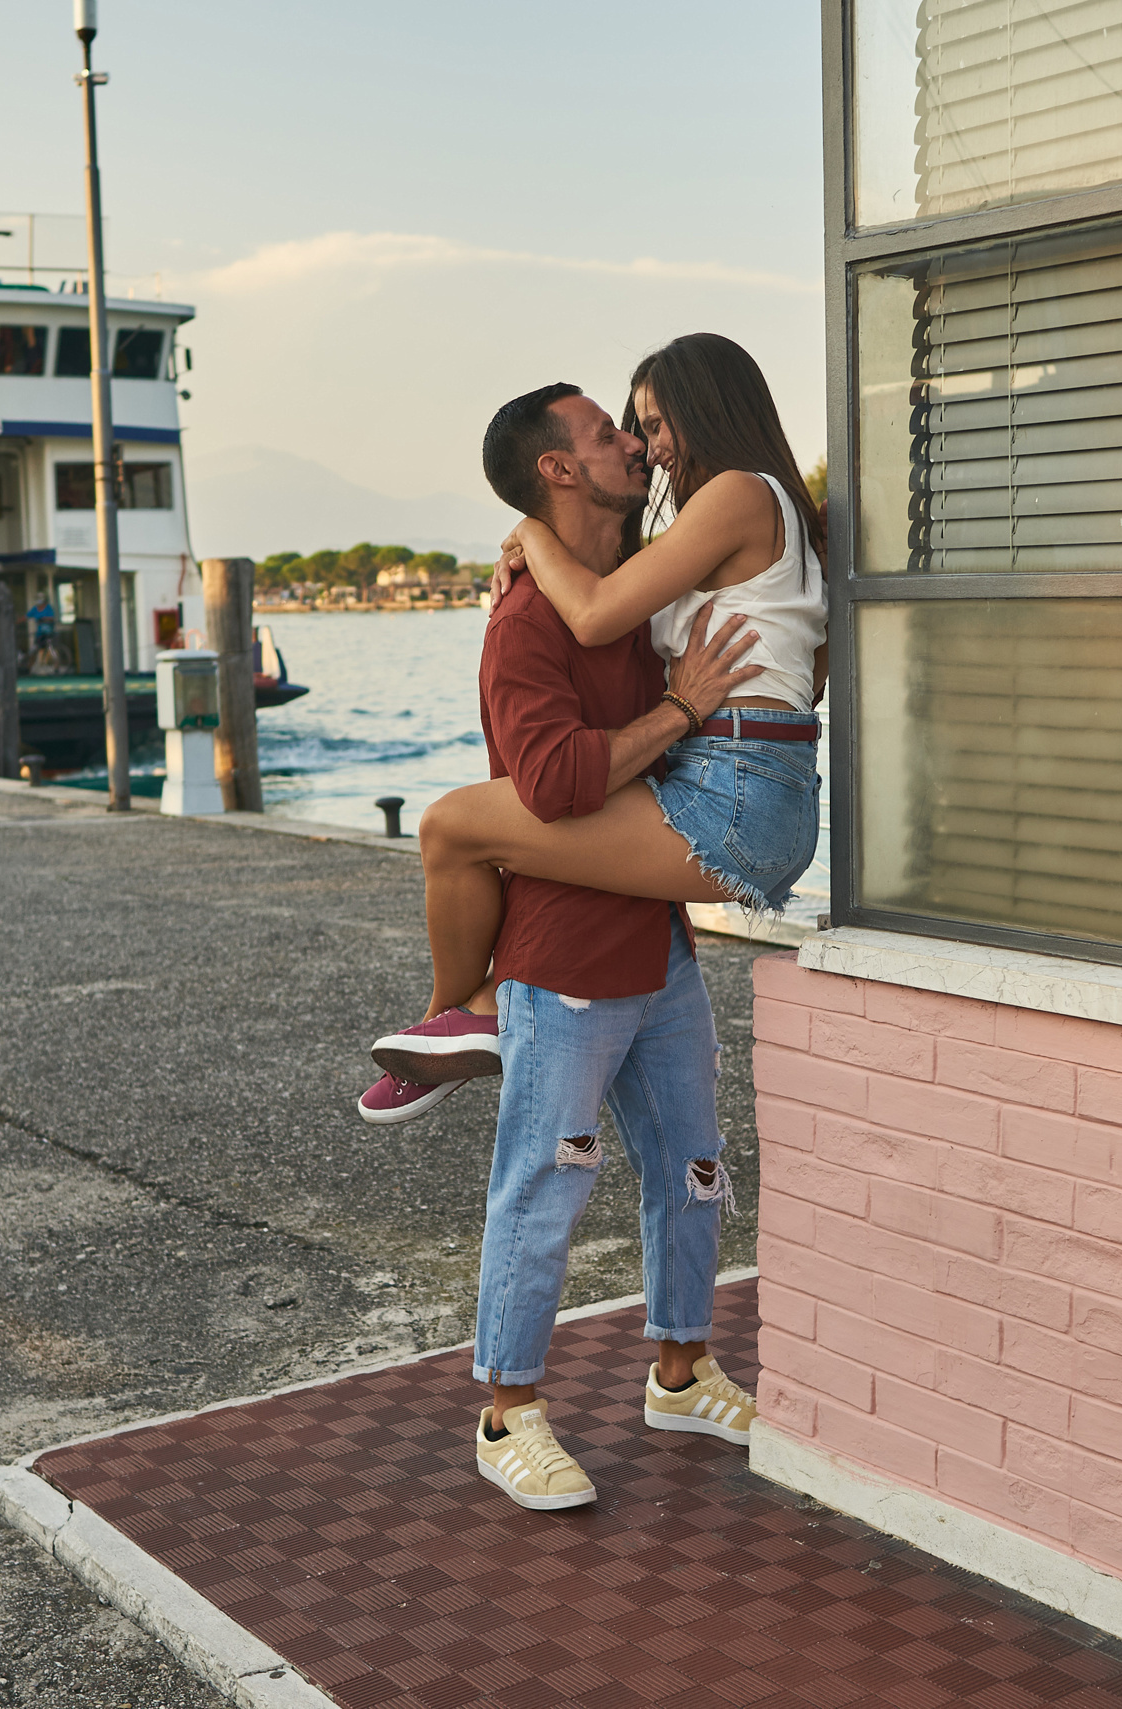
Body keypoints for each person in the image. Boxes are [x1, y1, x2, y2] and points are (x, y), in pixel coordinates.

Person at [416, 380, 774, 1512]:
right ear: (558, 471)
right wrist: (676, 714)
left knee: (696, 1176)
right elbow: (558, 784)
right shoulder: (525, 624)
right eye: (605, 432)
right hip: (564, 968)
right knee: (542, 1193)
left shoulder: (634, 596)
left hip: (658, 955)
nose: (632, 442)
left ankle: (679, 1369)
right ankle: (506, 1411)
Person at [359, 334, 827, 1122]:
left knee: (448, 827)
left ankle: (456, 1020)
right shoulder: (780, 513)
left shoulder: (739, 494)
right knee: (508, 838)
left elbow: (597, 611)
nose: (649, 444)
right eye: (630, 426)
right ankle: (464, 1018)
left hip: (732, 796)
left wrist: (530, 533)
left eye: (655, 419)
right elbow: (804, 673)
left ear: (706, 405)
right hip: (761, 789)